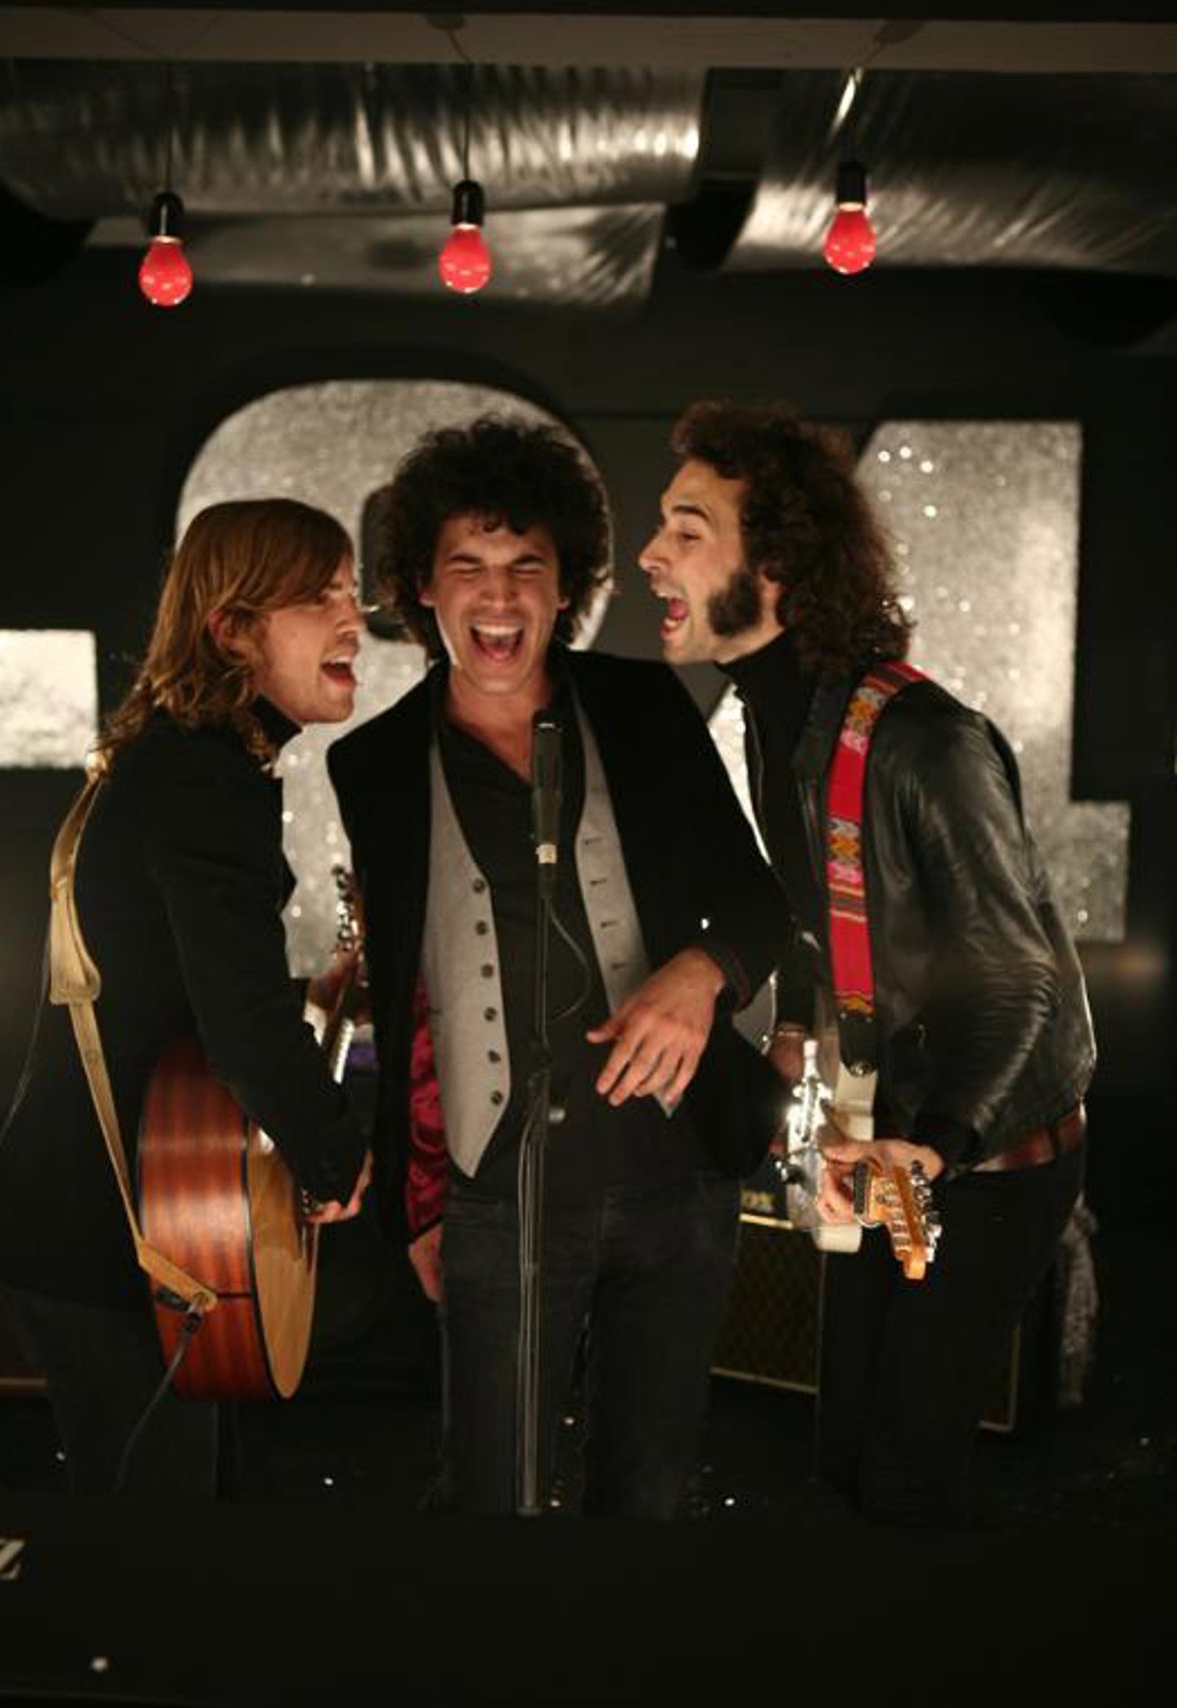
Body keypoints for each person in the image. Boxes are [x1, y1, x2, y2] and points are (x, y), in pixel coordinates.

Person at [639, 400, 1095, 1526]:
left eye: (690, 530)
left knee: (904, 1472)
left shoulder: (924, 742)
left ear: (781, 567)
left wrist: (936, 1144)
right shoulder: (774, 715)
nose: (652, 554)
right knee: (842, 1451)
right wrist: (799, 1035)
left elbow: (1019, 977)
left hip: (988, 1153)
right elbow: (821, 908)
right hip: (892, 1130)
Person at [328, 417, 786, 1518]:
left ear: (567, 582)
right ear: (421, 587)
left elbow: (761, 904)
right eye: (467, 566)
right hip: (497, 1195)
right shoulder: (372, 764)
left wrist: (701, 971)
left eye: (527, 565)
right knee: (492, 1502)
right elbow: (416, 1002)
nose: (499, 597)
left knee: (649, 1494)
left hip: (676, 1180)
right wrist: (426, 1200)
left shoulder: (642, 706)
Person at [0, 498, 371, 1497]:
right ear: (232, 628)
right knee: (154, 1533)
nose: (353, 618)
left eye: (352, 591)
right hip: (103, 1233)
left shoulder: (182, 758)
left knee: (178, 1516)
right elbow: (240, 1030)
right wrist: (336, 1154)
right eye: (319, 596)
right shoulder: (206, 779)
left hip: (116, 1220)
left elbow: (176, 990)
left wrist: (310, 993)